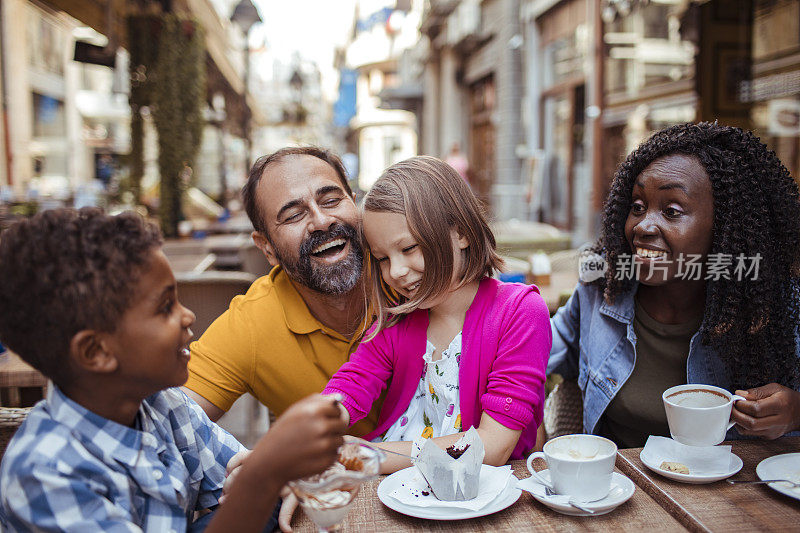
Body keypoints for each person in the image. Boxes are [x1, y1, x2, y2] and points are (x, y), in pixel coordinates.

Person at [0, 208, 347, 531]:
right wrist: (265, 473)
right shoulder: (44, 474)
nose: (188, 315)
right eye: (165, 307)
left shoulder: (164, 405)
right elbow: (255, 482)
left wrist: (266, 474)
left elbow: (236, 478)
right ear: (96, 352)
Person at [548, 122, 800, 449]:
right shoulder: (601, 289)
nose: (643, 226)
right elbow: (528, 353)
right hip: (621, 489)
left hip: (734, 495)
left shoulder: (775, 306)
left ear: (724, 227)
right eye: (637, 207)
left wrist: (796, 411)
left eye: (671, 210)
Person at [323, 156, 551, 472]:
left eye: (408, 248)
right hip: (399, 486)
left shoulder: (520, 311)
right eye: (383, 259)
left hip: (488, 493)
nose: (396, 272)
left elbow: (493, 448)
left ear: (461, 233)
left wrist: (369, 455)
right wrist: (313, 430)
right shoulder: (395, 321)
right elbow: (351, 384)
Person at [183, 147, 380, 437]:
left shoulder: (412, 276)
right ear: (267, 248)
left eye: (331, 200)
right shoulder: (253, 325)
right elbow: (171, 426)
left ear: (355, 204)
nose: (322, 221)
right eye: (292, 216)